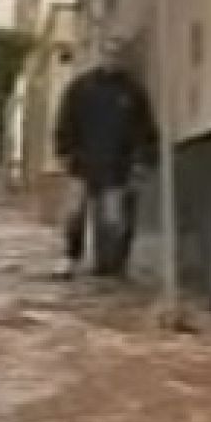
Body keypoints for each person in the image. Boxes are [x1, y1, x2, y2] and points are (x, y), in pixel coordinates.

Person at [52, 35, 157, 279]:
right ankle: (71, 258)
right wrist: (65, 151)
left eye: (118, 54)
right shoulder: (81, 88)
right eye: (109, 53)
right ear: (100, 56)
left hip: (117, 167)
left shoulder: (133, 92)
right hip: (82, 163)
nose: (113, 58)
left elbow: (145, 129)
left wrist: (142, 160)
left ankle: (110, 266)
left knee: (113, 220)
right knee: (74, 214)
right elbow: (66, 121)